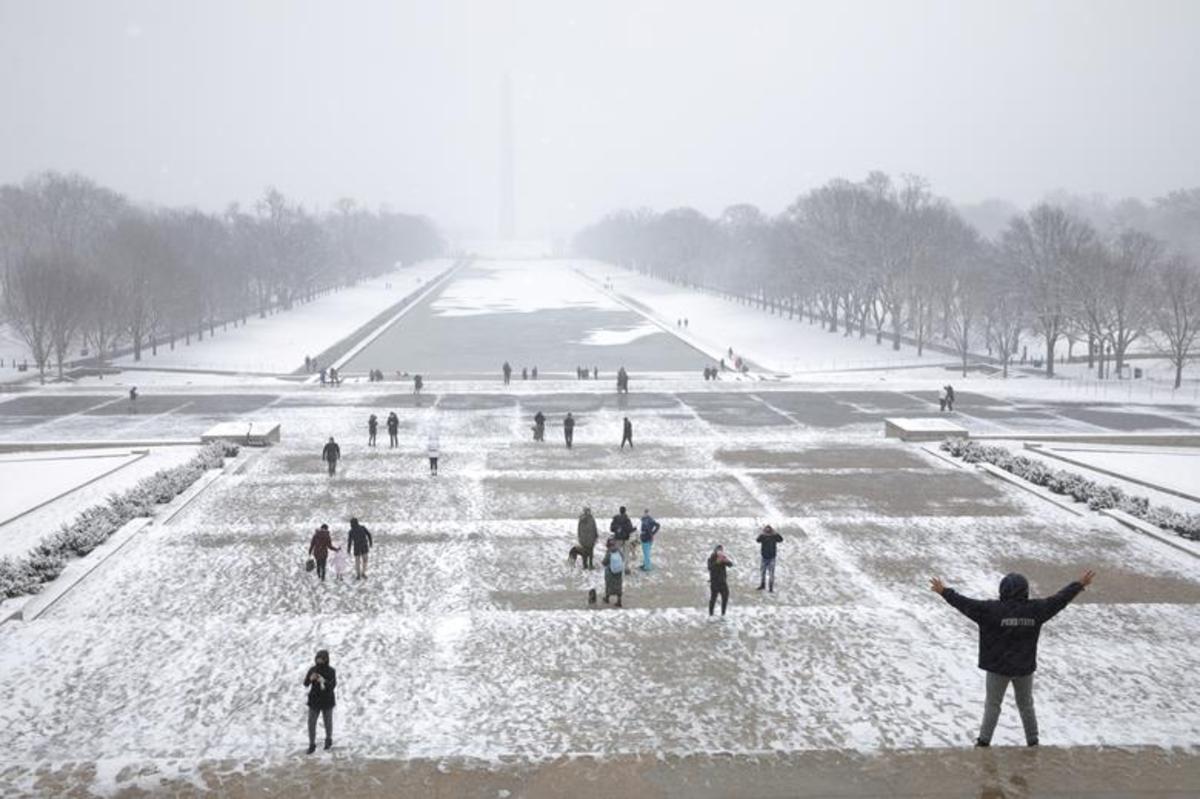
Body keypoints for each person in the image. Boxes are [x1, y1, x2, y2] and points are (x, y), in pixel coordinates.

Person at [930, 570, 1096, 747]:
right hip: (1023, 668)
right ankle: (1033, 741)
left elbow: (964, 603)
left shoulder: (990, 610)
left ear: (1002, 590)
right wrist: (1079, 585)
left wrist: (944, 592)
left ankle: (984, 742)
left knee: (993, 705)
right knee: (1026, 705)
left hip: (998, 668)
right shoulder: (1036, 610)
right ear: (1025, 590)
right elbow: (1059, 600)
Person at [304, 649, 337, 753]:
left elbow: (332, 686)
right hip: (314, 700)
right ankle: (312, 744)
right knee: (311, 723)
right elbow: (305, 683)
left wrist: (323, 681)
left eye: (321, 659)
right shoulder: (312, 669)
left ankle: (328, 740)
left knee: (328, 722)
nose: (319, 661)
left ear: (326, 659)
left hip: (327, 700)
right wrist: (310, 678)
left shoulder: (331, 671)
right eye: (317, 659)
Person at [707, 545, 734, 617]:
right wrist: (717, 562)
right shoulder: (711, 558)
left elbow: (731, 565)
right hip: (714, 582)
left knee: (725, 597)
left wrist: (726, 561)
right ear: (715, 551)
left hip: (723, 582)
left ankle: (723, 614)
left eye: (721, 551)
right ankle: (711, 614)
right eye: (719, 551)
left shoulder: (723, 558)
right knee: (713, 599)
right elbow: (710, 568)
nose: (720, 552)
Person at [756, 524, 783, 592]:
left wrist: (776, 534)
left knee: (769, 573)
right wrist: (762, 534)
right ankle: (765, 586)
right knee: (764, 572)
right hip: (765, 557)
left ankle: (769, 587)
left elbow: (781, 539)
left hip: (771, 558)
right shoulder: (763, 536)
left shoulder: (774, 536)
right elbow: (758, 540)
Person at [609, 506, 635, 572]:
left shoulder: (615, 518)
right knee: (626, 554)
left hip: (618, 539)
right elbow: (630, 529)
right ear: (625, 511)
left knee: (617, 553)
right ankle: (626, 568)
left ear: (619, 511)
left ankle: (617, 566)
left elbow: (611, 529)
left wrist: (617, 529)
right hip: (626, 539)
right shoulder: (627, 519)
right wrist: (634, 529)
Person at [601, 538, 623, 607]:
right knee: (618, 586)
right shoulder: (619, 550)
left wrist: (603, 563)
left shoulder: (609, 552)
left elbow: (605, 562)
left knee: (608, 585)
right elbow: (623, 558)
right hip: (619, 571)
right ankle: (619, 601)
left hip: (610, 572)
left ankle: (607, 598)